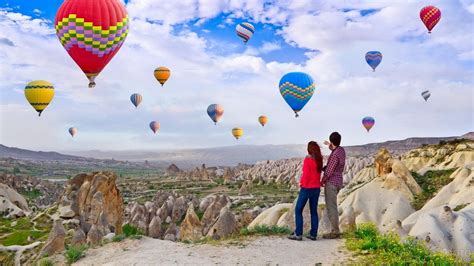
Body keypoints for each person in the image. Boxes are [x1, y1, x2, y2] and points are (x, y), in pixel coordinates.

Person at [288, 141, 323, 241]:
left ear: (309, 149)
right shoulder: (319, 159)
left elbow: (306, 175)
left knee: (298, 210)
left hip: (307, 188)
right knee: (313, 212)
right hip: (316, 188)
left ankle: (298, 234)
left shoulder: (308, 159)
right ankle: (313, 234)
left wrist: (301, 184)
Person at [322, 132, 346, 239]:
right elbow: (335, 151)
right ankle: (335, 229)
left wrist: (323, 180)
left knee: (331, 207)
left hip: (331, 182)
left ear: (332, 142)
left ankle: (335, 231)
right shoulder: (341, 151)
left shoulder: (334, 155)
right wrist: (330, 145)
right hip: (339, 181)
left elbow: (329, 170)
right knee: (334, 206)